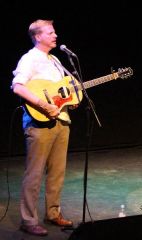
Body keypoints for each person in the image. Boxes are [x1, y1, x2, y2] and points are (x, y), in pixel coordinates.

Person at [11, 19, 74, 236]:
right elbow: (17, 87)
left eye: (55, 32)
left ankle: (53, 213)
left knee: (57, 171)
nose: (55, 35)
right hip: (39, 123)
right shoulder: (29, 59)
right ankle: (28, 221)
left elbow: (62, 91)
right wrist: (43, 105)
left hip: (61, 121)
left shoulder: (56, 59)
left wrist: (70, 100)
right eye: (50, 32)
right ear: (38, 36)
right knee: (35, 174)